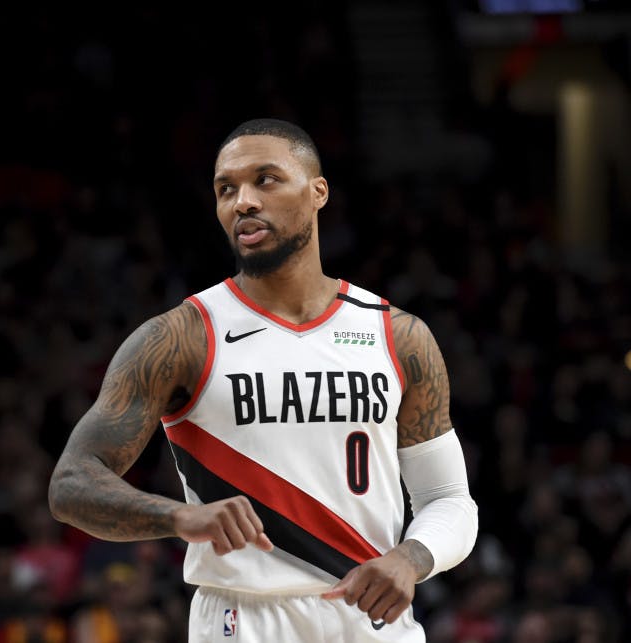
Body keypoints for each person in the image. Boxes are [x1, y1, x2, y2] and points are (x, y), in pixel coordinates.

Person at [48, 118, 479, 641]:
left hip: (374, 619)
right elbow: (71, 485)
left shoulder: (399, 336)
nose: (242, 202)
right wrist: (181, 518)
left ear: (318, 192)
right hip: (243, 618)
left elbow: (449, 498)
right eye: (225, 189)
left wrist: (412, 560)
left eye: (265, 180)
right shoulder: (182, 337)